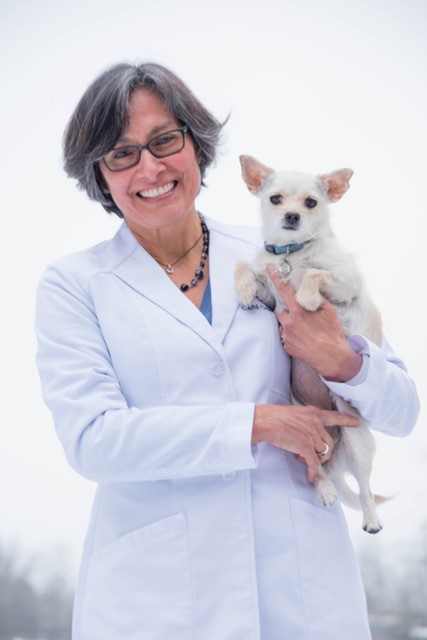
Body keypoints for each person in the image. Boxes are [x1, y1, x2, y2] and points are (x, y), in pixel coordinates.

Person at [35, 61, 419, 640]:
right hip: (156, 601)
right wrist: (257, 425)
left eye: (165, 140)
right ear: (99, 174)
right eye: (122, 153)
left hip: (304, 592)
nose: (151, 167)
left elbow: (404, 410)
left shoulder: (284, 249)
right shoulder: (74, 284)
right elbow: (94, 441)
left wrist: (344, 361)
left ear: (197, 143)